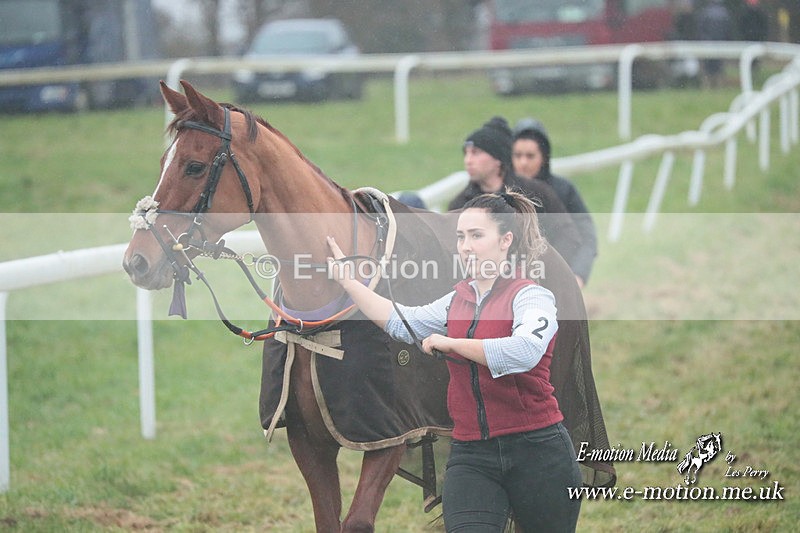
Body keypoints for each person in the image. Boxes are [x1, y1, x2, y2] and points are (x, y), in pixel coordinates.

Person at [326, 190, 583, 532]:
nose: (465, 246)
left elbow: (524, 352)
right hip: (472, 456)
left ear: (505, 240)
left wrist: (454, 343)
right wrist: (348, 282)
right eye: (461, 237)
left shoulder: (533, 297)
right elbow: (402, 321)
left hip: (539, 453)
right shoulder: (457, 300)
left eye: (476, 236)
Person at [448, 116, 584, 275]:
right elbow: (452, 254)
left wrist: (545, 273)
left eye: (476, 153)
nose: (468, 160)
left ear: (497, 159)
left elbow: (568, 237)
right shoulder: (459, 204)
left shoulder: (536, 193)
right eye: (466, 153)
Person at [513, 118, 598, 288]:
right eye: (517, 155)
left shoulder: (563, 190)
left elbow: (587, 237)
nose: (523, 162)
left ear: (543, 157)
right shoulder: (501, 191)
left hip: (555, 281)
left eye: (530, 156)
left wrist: (578, 275)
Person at [695, 0, 733, 88]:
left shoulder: (705, 12)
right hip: (721, 44)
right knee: (719, 68)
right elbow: (728, 31)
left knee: (708, 69)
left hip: (707, 44)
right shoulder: (725, 13)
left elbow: (701, 30)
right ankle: (719, 87)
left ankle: (707, 87)